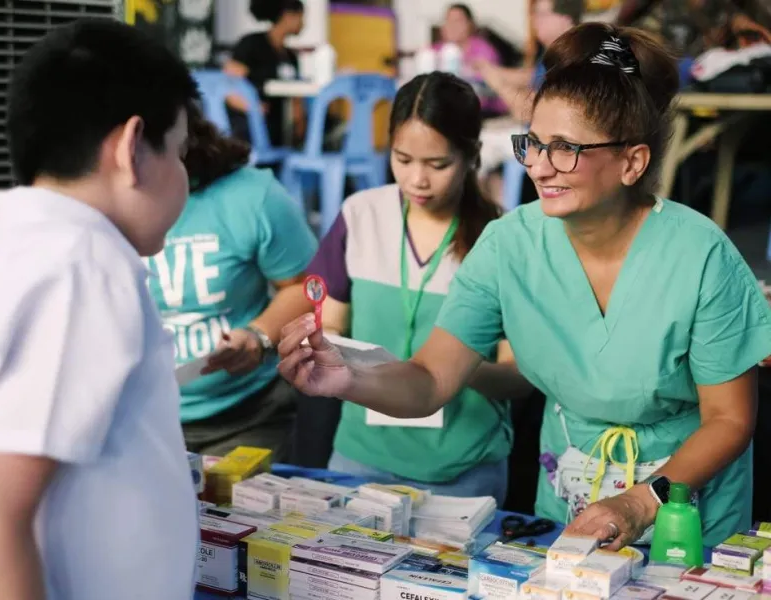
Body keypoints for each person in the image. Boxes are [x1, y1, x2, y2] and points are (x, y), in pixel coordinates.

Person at [278, 22, 771, 548]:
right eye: (532, 143)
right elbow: (429, 381)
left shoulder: (700, 256)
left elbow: (729, 418)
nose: (539, 166)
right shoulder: (509, 245)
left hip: (683, 510)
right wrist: (347, 377)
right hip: (570, 498)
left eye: (565, 149)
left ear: (632, 161)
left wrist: (640, 500)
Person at [0, 19, 199, 600]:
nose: (184, 175)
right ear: (131, 148)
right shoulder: (82, 267)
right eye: (178, 150)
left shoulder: (30, 257)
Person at [291, 72, 534, 504]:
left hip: (461, 474)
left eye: (438, 165)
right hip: (359, 460)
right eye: (403, 160)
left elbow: (520, 377)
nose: (417, 180)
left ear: (472, 156)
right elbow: (328, 327)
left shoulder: (501, 238)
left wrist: (447, 369)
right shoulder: (360, 215)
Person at [146, 104, 317, 459]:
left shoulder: (251, 196)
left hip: (248, 416)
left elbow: (309, 287)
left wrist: (257, 336)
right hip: (139, 423)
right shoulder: (95, 209)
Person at [475, 0, 583, 203]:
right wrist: (489, 70)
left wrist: (497, 82)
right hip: (535, 135)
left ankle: (493, 219)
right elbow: (529, 76)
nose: (534, 21)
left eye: (541, 15)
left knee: (476, 148)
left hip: (548, 142)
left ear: (565, 19)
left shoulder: (569, 58)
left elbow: (528, 112)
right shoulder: (556, 51)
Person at [223, 0, 305, 147]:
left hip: (278, 125)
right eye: (301, 17)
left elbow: (297, 102)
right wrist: (253, 107)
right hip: (249, 124)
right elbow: (228, 87)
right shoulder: (252, 44)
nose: (303, 23)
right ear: (288, 16)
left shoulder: (290, 57)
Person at [434, 4, 505, 117]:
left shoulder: (483, 50)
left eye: (458, 21)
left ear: (470, 24)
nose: (452, 26)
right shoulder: (435, 51)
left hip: (483, 113)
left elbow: (486, 91)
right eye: (448, 20)